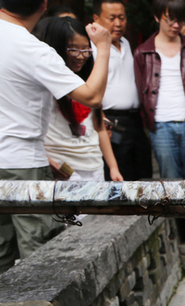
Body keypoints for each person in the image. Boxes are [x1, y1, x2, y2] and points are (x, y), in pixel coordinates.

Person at [0, 0, 111, 288]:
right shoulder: (33, 50)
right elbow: (91, 95)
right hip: (21, 159)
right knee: (39, 242)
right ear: (43, 5)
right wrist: (102, 47)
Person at [36, 17, 122, 183]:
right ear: (59, 49)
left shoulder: (90, 83)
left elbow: (99, 127)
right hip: (63, 166)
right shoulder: (48, 83)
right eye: (74, 50)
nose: (81, 56)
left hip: (94, 165)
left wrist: (113, 167)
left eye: (86, 50)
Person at [134, 0, 185, 179]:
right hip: (160, 124)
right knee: (170, 183)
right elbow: (139, 90)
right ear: (157, 17)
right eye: (170, 20)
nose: (176, 25)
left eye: (181, 20)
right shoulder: (142, 52)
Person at [92, 0, 152, 181]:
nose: (118, 23)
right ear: (96, 18)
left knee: (143, 171)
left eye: (122, 18)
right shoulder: (92, 48)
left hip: (135, 119)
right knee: (119, 175)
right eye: (111, 18)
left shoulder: (126, 43)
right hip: (110, 120)